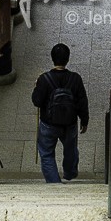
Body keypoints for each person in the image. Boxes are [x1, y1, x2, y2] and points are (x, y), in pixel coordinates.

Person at [31, 42, 89, 183]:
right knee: (70, 150)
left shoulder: (44, 79)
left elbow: (37, 101)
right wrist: (84, 120)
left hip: (48, 124)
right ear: (68, 59)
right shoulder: (75, 78)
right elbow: (82, 101)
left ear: (52, 58)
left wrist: (36, 87)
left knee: (46, 153)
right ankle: (69, 174)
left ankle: (54, 182)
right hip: (70, 123)